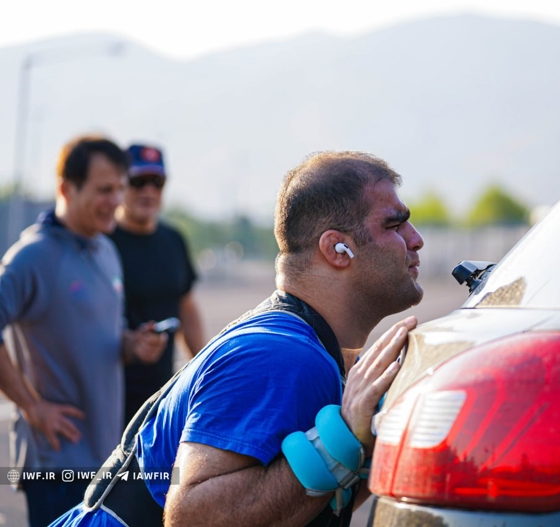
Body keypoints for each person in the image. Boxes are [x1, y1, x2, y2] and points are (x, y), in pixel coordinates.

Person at [51, 150, 425, 527]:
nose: (416, 240)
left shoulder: (311, 347)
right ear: (336, 249)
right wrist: (339, 442)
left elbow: (315, 503)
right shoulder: (279, 355)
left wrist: (369, 442)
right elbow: (191, 519)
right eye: (395, 226)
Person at [0, 135, 168, 527]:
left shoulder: (105, 249)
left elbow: (95, 334)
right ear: (66, 189)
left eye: (120, 188)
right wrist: (32, 405)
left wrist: (132, 344)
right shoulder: (32, 257)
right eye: (104, 190)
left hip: (106, 459)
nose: (116, 200)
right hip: (55, 464)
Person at [109, 143, 206, 424]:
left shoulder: (173, 240)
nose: (148, 191)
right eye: (138, 182)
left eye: (157, 182)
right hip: (110, 397)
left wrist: (205, 366)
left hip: (162, 397)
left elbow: (186, 307)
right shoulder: (103, 243)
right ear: (121, 184)